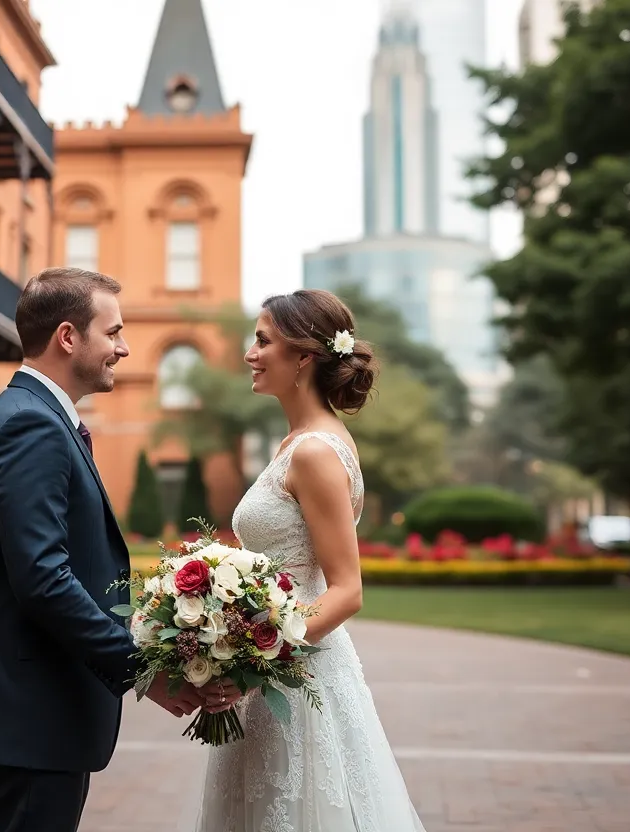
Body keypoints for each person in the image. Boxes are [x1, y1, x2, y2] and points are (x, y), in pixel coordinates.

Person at [0, 267, 240, 832]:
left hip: (36, 714)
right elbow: (44, 578)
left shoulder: (40, 418)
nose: (124, 348)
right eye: (114, 333)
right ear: (68, 337)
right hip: (29, 713)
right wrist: (146, 671)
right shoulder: (31, 426)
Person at [191, 289, 428, 831]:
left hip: (296, 680)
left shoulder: (316, 452)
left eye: (262, 341)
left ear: (302, 357)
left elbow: (346, 590)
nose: (250, 354)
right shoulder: (295, 442)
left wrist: (254, 663)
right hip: (272, 668)